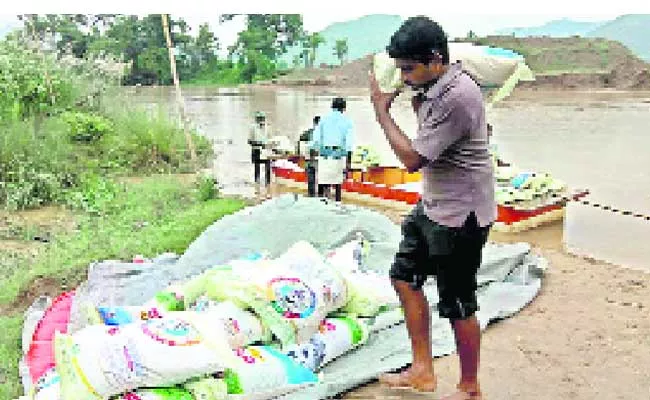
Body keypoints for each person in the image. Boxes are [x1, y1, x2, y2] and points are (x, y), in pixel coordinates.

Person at [369, 16, 496, 400]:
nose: (404, 77)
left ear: (436, 59)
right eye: (401, 69)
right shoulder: (433, 86)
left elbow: (411, 158)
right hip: (434, 206)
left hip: (462, 216)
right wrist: (413, 94)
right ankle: (423, 371)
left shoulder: (457, 96)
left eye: (410, 69)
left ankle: (469, 386)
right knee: (404, 278)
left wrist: (381, 113)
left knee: (458, 303)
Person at [311, 97, 354, 202]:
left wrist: (314, 153)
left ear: (332, 107)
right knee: (337, 185)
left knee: (323, 183)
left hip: (324, 156)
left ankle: (321, 203)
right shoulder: (347, 122)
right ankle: (337, 203)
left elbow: (316, 140)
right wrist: (348, 163)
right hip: (337, 157)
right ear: (344, 108)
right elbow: (349, 144)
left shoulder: (323, 119)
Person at [248, 111, 271, 185]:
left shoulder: (268, 127)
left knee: (268, 167)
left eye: (262, 118)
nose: (261, 120)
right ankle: (257, 183)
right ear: (256, 119)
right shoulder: (252, 127)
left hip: (265, 151)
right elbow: (249, 141)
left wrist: (269, 145)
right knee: (257, 167)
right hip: (256, 150)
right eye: (259, 119)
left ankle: (268, 183)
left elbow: (270, 139)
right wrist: (258, 143)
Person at [301, 116, 321, 197]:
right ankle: (320, 195)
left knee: (311, 177)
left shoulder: (309, 132)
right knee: (319, 178)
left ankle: (312, 194)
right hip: (316, 159)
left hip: (311, 158)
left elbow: (301, 141)